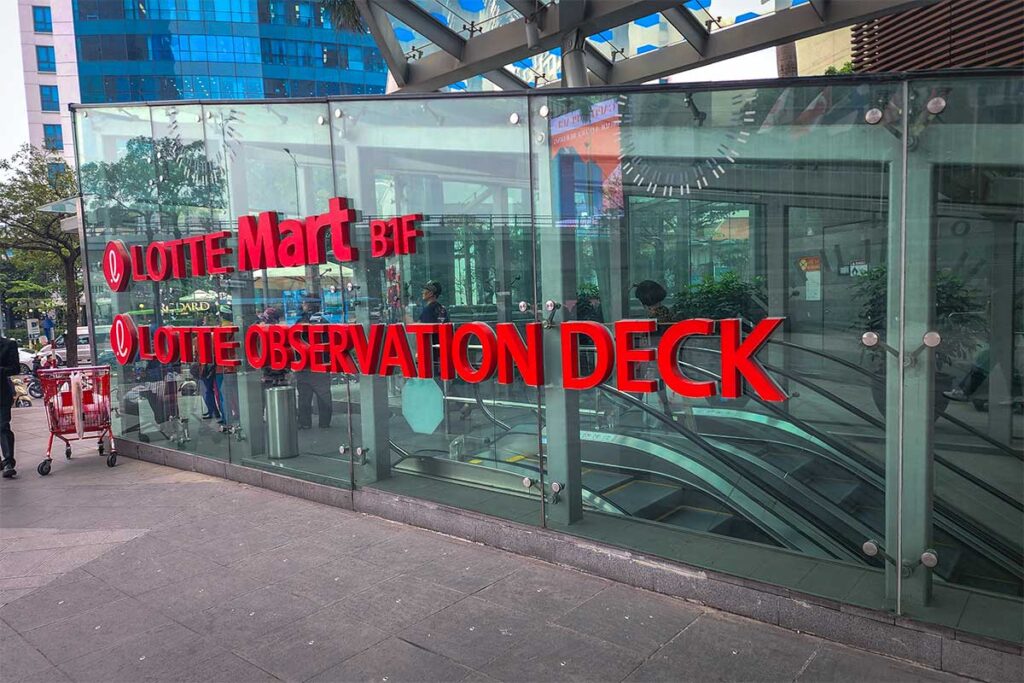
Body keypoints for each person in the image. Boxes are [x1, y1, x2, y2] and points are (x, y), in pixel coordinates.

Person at [633, 280, 674, 417]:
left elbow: (649, 341)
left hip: (656, 354)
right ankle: (665, 407)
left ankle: (638, 404)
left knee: (642, 377)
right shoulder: (665, 312)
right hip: (665, 353)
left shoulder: (653, 318)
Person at [294, 297, 332, 429]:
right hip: (320, 364)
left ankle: (305, 422)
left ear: (308, 305)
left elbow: (294, 342)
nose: (302, 304)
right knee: (323, 396)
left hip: (304, 366)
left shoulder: (300, 322)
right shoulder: (324, 322)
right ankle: (324, 422)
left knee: (304, 396)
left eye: (304, 302)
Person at [0, 335, 19, 478]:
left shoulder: (8, 345)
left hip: (1, 392)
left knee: (3, 426)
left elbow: (15, 368)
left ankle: (8, 462)